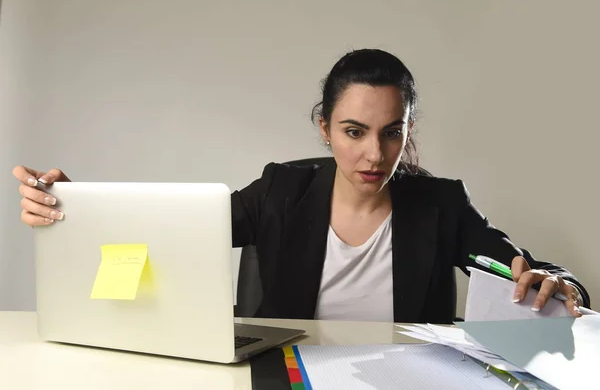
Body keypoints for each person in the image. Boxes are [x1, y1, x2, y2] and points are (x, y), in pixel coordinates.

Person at [12, 49, 590, 324]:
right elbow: (173, 227)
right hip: (291, 374)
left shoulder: (439, 204)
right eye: (353, 131)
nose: (374, 154)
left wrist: (561, 285)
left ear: (407, 131)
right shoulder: (279, 191)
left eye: (393, 133)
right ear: (324, 128)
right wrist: (74, 205)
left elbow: (524, 268)